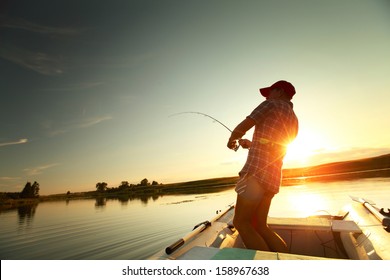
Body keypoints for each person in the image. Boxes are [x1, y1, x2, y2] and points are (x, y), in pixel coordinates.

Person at [227, 80, 299, 252]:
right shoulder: (294, 118)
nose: (267, 96)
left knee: (241, 222)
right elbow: (275, 145)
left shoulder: (270, 104)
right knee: (260, 225)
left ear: (280, 91)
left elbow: (245, 125)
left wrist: (232, 139)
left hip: (255, 174)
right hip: (273, 178)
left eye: (270, 92)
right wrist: (251, 144)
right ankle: (284, 262)